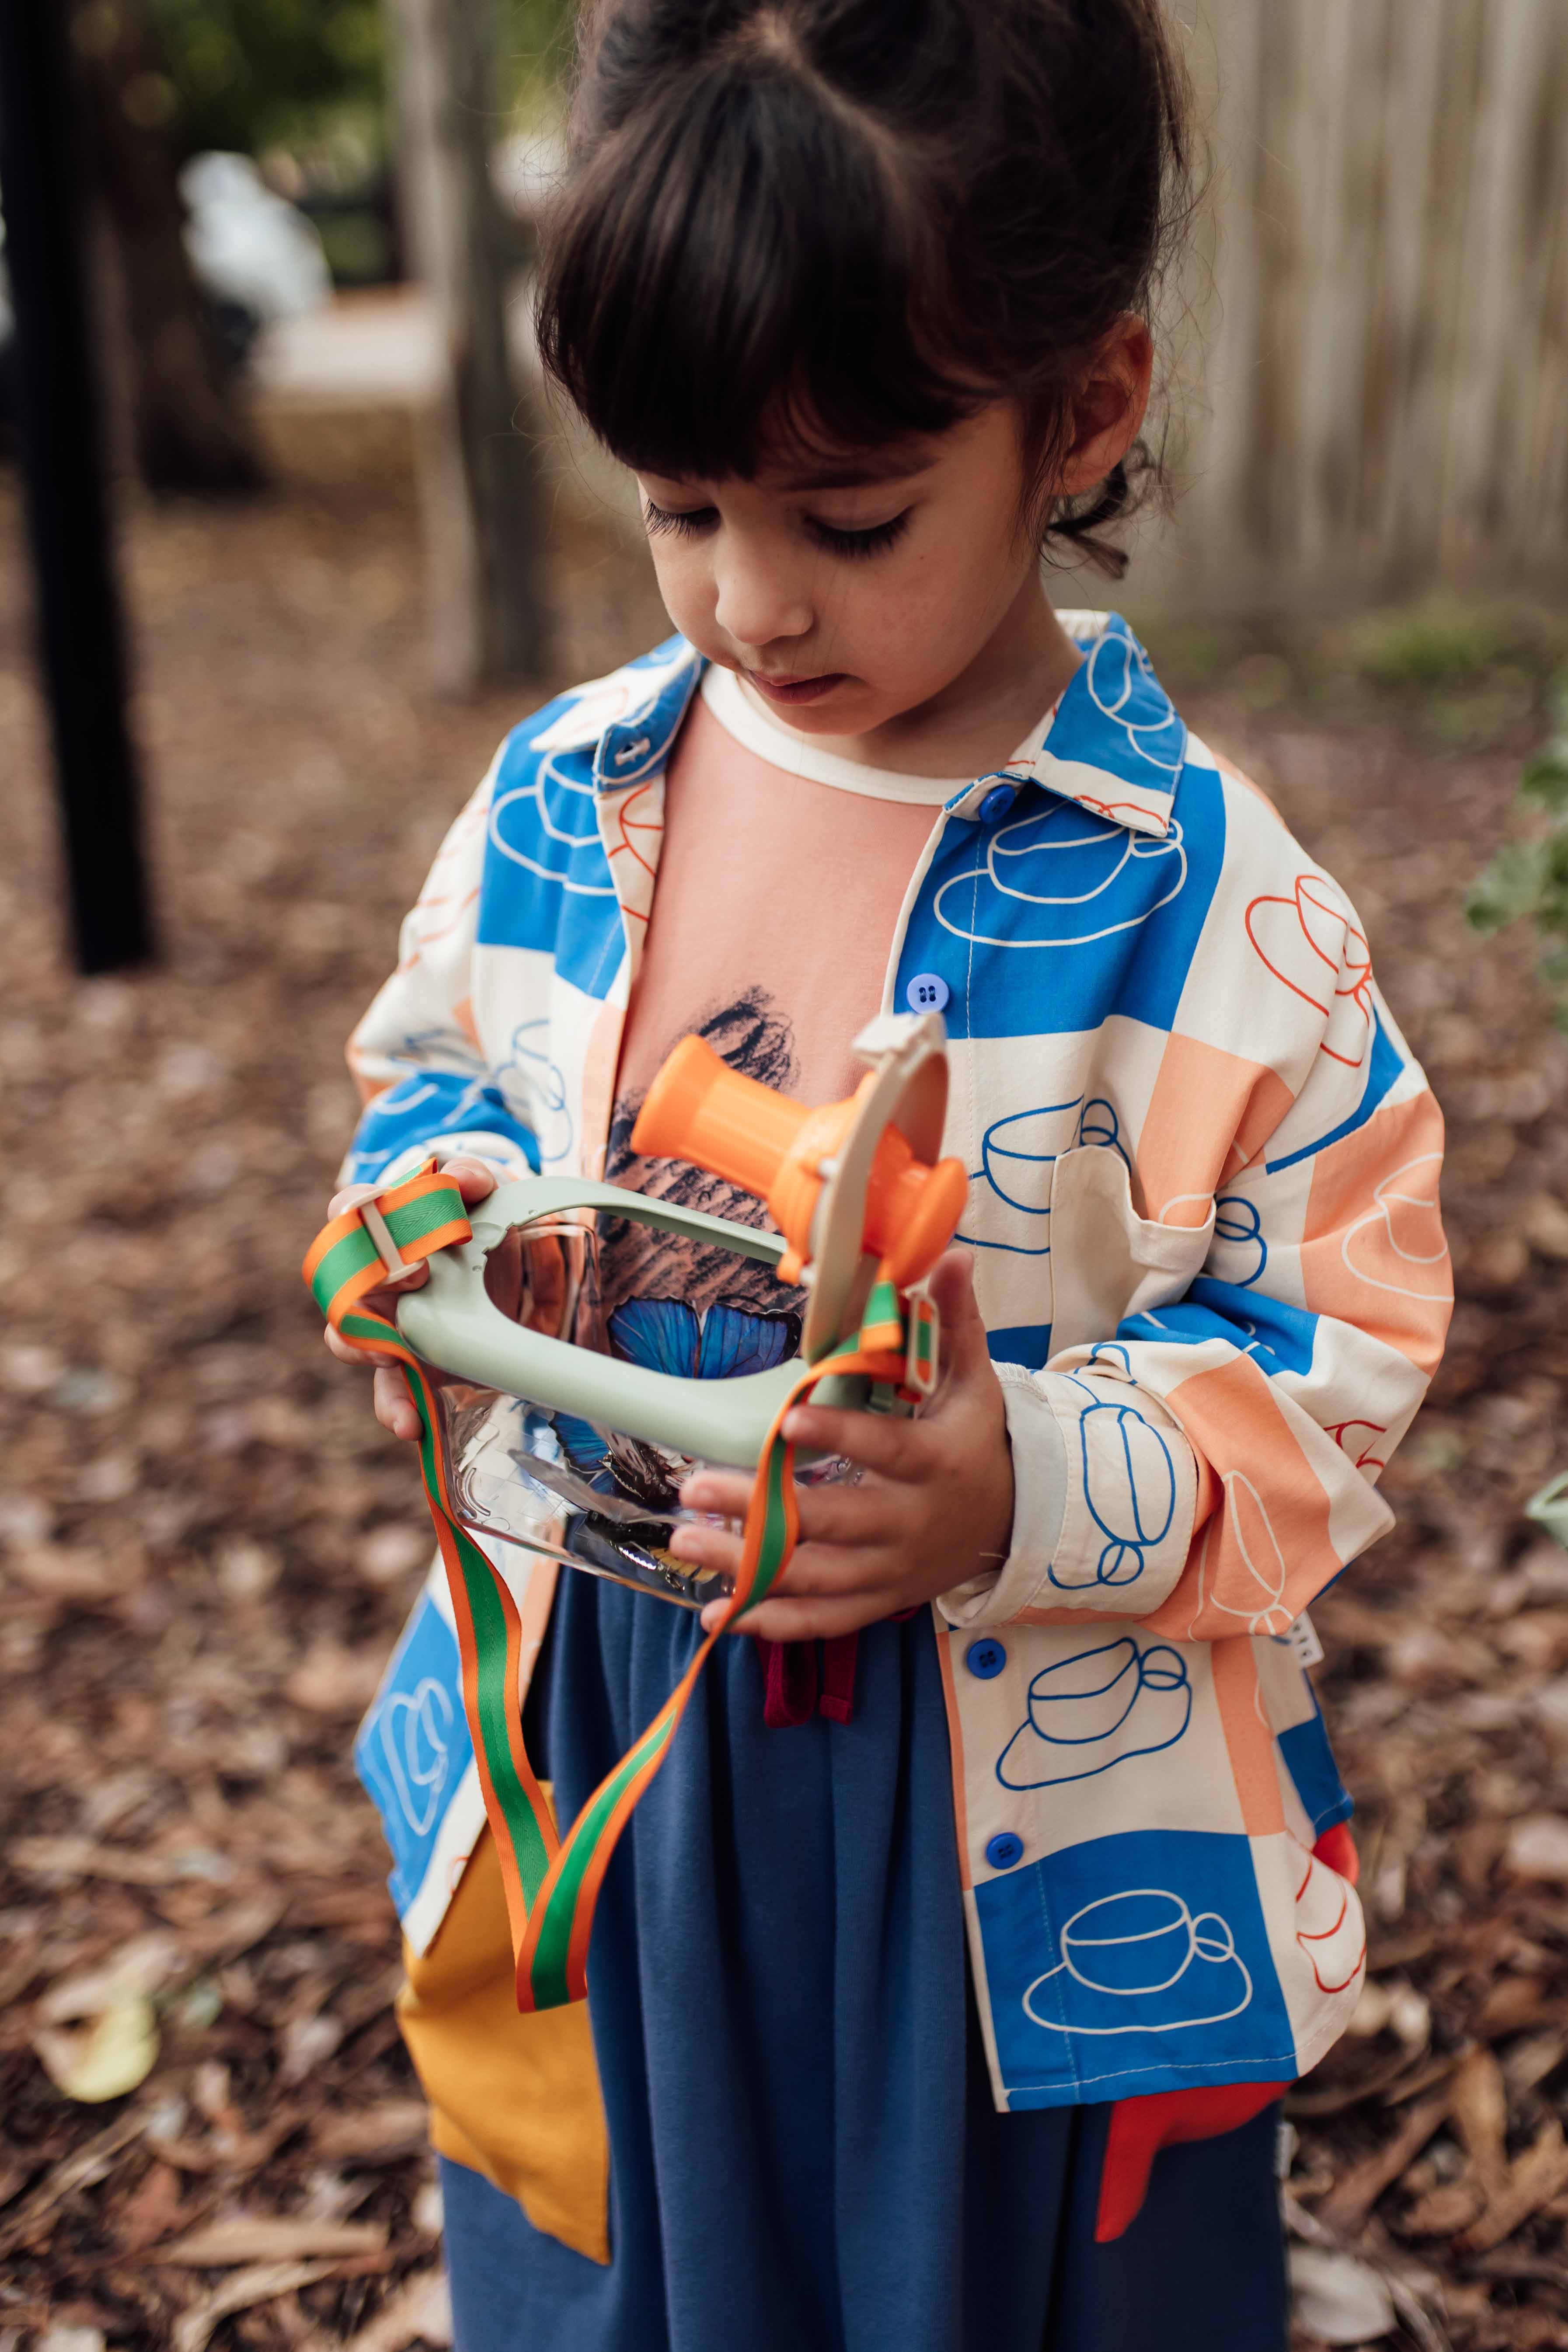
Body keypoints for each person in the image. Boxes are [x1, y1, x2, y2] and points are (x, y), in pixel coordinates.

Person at [324, 4, 1452, 2345]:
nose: (749, 598)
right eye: (676, 504)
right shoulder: (574, 791)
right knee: (627, 2217)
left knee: (990, 2271)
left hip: (999, 1796)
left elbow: (1332, 1342)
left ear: (1088, 409)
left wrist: (1009, 1479)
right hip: (616, 1729)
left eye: (847, 517)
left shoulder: (1196, 905)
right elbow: (438, 1068)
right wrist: (420, 1211)